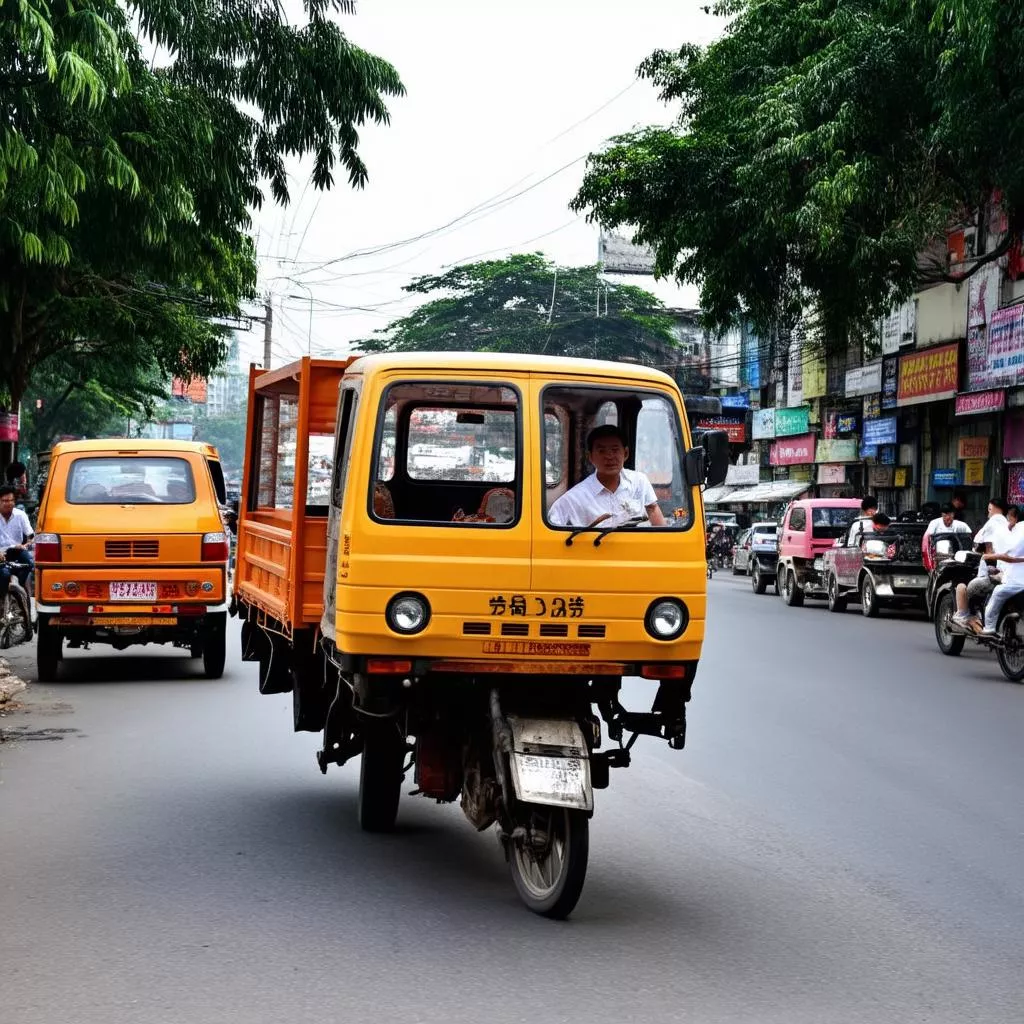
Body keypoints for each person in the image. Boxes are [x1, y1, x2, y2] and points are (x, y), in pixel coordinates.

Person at [548, 425, 667, 528]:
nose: (609, 456)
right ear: (590, 457)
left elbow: (653, 510)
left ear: (625, 453)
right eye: (601, 451)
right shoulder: (575, 497)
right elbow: (550, 528)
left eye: (615, 450)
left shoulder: (639, 482)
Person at [953, 497, 1009, 631]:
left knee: (965, 588)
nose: (988, 512)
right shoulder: (1009, 525)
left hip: (993, 577)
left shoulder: (992, 524)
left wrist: (990, 565)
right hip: (1011, 577)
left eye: (989, 509)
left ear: (993, 509)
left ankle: (966, 615)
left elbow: (986, 549)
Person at [980, 526, 1024, 635]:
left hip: (1017, 584)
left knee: (998, 592)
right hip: (1014, 580)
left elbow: (1011, 558)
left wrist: (990, 556)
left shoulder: (1017, 534)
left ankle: (989, 627)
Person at [0, 484, 34, 593]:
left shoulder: (21, 515)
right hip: (1, 552)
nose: (8, 503)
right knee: (4, 574)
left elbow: (31, 536)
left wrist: (25, 545)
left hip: (17, 550)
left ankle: (19, 587)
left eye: (11, 500)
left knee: (29, 562)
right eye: (5, 501)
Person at [922, 502, 972, 571]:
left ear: (953, 514)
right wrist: (928, 561)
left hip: (955, 557)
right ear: (942, 514)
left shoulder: (961, 526)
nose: (948, 517)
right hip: (938, 557)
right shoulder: (934, 523)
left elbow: (969, 538)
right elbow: (926, 540)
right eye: (945, 515)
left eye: (950, 515)